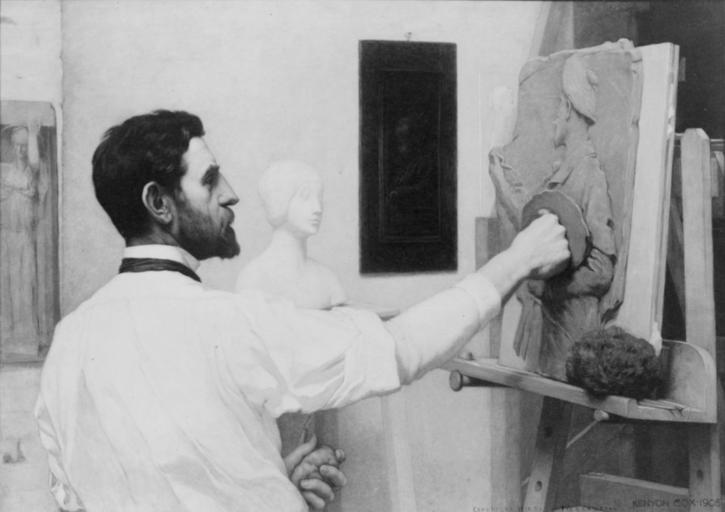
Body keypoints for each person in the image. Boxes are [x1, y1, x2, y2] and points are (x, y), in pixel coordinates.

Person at [35, 110, 569, 512]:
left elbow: (113, 488)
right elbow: (398, 349)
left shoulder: (69, 340)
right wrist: (518, 260)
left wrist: (269, 479)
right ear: (159, 203)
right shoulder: (224, 322)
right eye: (210, 179)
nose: (232, 194)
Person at [490, 55, 616, 380]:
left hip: (575, 338)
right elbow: (534, 222)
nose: (554, 117)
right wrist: (503, 184)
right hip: (553, 340)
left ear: (569, 109)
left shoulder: (589, 175)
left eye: (558, 107)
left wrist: (546, 289)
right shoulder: (562, 173)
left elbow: (601, 271)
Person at [237, 160, 346, 310]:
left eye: (319, 198)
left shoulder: (328, 279)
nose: (317, 208)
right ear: (279, 201)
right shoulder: (254, 278)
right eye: (305, 196)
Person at [1, 121, 42, 357]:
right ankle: (6, 339)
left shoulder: (30, 171)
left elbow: (34, 164)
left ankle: (26, 340)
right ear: (10, 146)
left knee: (25, 286)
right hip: (5, 237)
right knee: (5, 287)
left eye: (24, 145)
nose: (20, 150)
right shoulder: (3, 170)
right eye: (17, 145)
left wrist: (33, 135)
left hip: (24, 237)